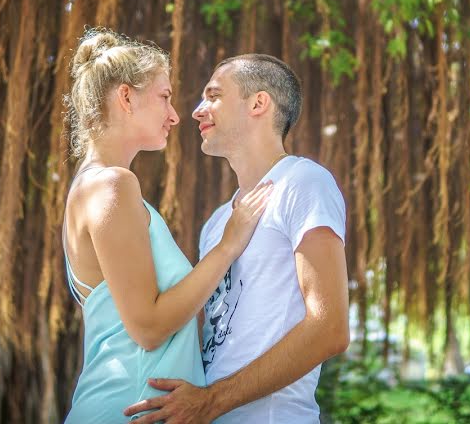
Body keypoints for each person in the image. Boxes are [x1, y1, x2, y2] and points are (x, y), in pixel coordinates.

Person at [62, 30, 273, 424]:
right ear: (126, 97)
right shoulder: (112, 185)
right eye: (164, 97)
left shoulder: (92, 186)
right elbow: (149, 327)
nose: (175, 115)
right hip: (131, 408)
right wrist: (228, 245)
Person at [125, 54, 350, 423]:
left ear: (259, 103)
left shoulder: (304, 183)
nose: (197, 111)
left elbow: (330, 329)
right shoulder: (216, 224)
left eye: (213, 96)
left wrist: (212, 400)